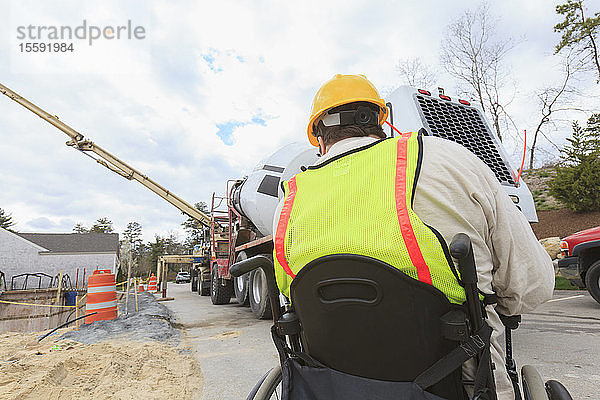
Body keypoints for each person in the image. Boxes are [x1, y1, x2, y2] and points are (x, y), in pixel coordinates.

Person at [272, 74, 554, 399]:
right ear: (379, 121)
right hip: (457, 384)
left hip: (333, 386)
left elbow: (289, 293)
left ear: (319, 137)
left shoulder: (290, 198)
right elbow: (534, 285)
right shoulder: (448, 159)